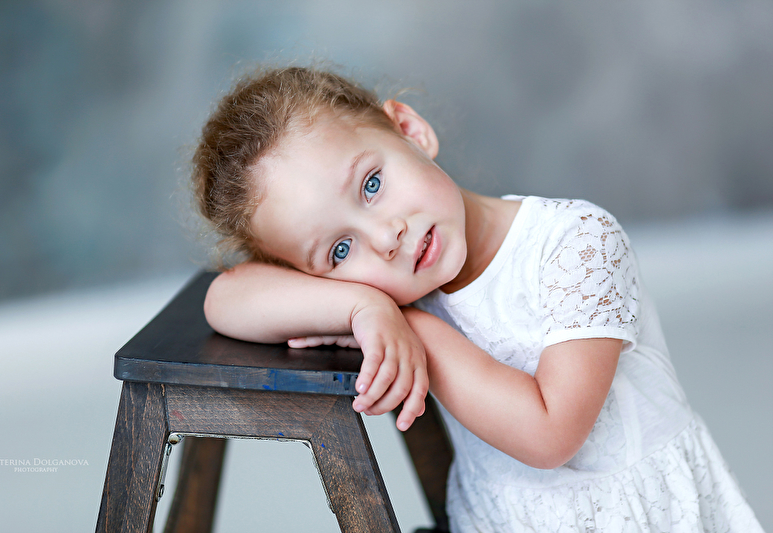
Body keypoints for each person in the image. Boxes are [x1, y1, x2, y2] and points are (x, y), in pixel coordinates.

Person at [191, 66, 763, 532]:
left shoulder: (577, 243)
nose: (385, 237)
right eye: (340, 249)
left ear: (410, 130)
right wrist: (365, 308)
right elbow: (224, 299)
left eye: (371, 185)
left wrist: (417, 329)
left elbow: (550, 434)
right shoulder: (385, 293)